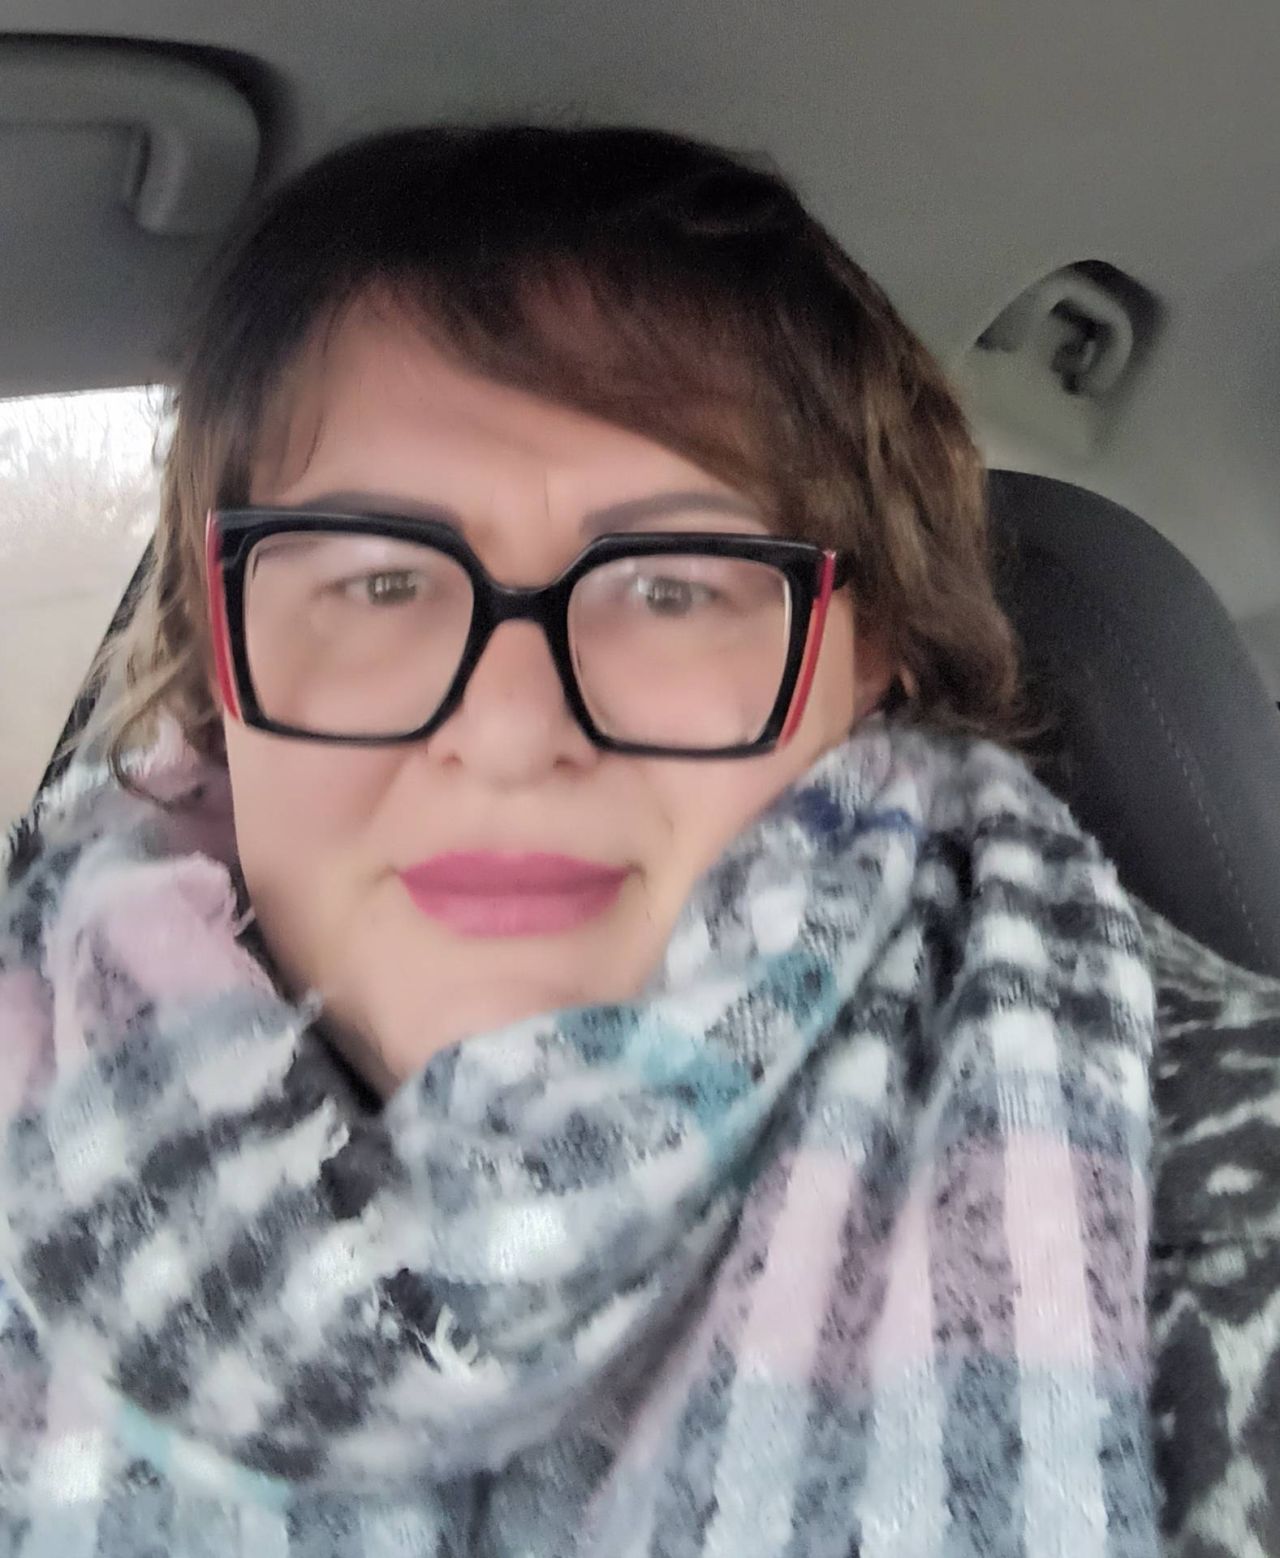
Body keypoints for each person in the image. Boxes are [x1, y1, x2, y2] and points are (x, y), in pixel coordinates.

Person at [0, 123, 1274, 1558]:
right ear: (225, 669)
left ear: (872, 661)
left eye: (672, 587)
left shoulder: (1217, 1212)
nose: (506, 726)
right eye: (377, 581)